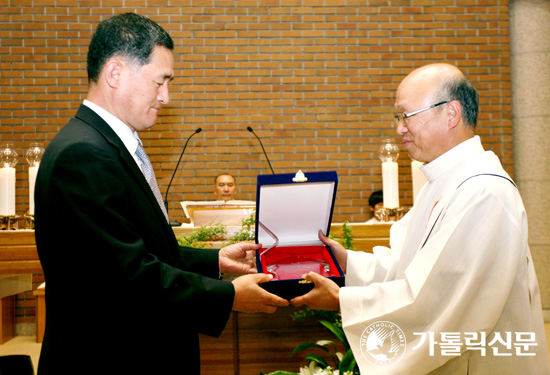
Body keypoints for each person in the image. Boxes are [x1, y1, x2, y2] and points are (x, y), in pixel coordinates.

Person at [34, 13, 288, 375]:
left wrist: (214, 261)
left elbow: (134, 247)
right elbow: (126, 278)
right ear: (116, 73)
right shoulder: (83, 155)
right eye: (160, 82)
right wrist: (229, 296)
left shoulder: (103, 144)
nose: (166, 97)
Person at [291, 63, 549, 374]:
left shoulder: (484, 190)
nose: (400, 128)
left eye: (406, 115)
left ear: (450, 113)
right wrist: (348, 263)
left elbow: (438, 299)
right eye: (397, 117)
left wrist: (342, 300)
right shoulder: (441, 183)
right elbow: (408, 265)